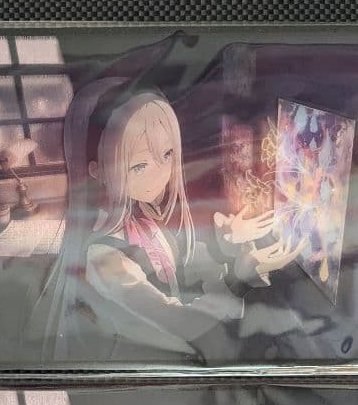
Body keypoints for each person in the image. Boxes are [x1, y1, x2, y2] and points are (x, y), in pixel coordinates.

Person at [28, 81, 300, 363]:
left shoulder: (141, 223)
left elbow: (179, 270)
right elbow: (179, 320)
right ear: (98, 172)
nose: (160, 174)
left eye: (167, 155)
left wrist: (224, 244)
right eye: (139, 166)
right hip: (155, 364)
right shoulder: (104, 259)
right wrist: (237, 284)